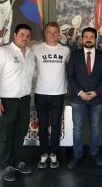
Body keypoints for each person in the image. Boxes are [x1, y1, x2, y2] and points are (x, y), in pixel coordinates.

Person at [0, 24, 35, 182]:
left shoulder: (29, 54)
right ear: (14, 35)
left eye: (28, 36)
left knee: (20, 133)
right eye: (22, 34)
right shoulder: (2, 52)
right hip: (7, 101)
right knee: (6, 135)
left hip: (24, 100)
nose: (25, 38)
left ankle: (18, 162)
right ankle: (6, 166)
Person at [67, 27, 102, 170]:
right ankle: (77, 155)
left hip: (96, 99)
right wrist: (80, 92)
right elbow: (70, 77)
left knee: (95, 128)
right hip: (78, 98)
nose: (88, 39)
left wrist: (96, 92)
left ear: (95, 38)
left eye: (91, 36)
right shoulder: (74, 55)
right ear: (82, 38)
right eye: (86, 36)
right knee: (78, 129)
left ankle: (94, 153)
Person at [32, 22, 70, 169]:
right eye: (49, 32)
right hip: (41, 94)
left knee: (55, 126)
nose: (52, 35)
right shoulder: (36, 48)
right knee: (42, 126)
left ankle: (53, 153)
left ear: (59, 33)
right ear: (44, 33)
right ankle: (43, 154)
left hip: (58, 94)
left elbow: (70, 68)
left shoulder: (65, 50)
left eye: (55, 32)